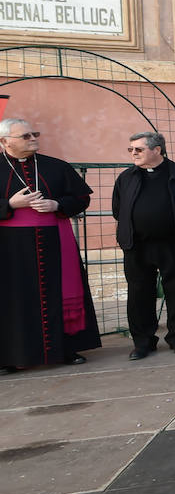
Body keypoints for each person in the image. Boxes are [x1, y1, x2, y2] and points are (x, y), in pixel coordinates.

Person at [1, 118, 100, 372]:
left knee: (58, 292)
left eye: (34, 134)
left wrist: (57, 205)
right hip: (9, 248)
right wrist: (10, 205)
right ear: (4, 142)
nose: (33, 139)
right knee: (12, 300)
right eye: (25, 136)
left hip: (54, 240)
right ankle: (9, 357)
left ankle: (65, 349)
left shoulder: (56, 166)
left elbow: (80, 197)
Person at [112, 130, 175, 360]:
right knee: (139, 295)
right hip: (137, 246)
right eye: (130, 150)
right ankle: (143, 342)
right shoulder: (126, 177)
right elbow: (117, 209)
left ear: (157, 150)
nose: (133, 154)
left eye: (138, 149)